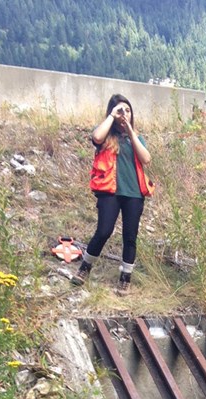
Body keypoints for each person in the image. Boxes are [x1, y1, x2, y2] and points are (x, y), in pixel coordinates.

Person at [72, 94, 153, 292]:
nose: (124, 113)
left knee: (130, 235)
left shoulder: (136, 138)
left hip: (134, 193)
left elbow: (146, 158)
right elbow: (96, 137)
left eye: (127, 110)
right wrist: (111, 116)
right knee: (104, 231)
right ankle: (85, 267)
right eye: (120, 110)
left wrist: (131, 132)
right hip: (110, 192)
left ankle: (125, 277)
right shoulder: (106, 136)